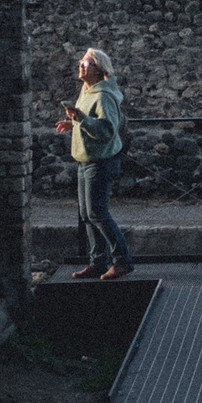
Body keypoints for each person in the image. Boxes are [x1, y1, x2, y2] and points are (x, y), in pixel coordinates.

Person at [55, 47, 133, 281]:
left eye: (86, 63)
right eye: (81, 62)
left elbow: (107, 130)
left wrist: (81, 119)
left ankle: (122, 261)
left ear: (98, 70)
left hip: (101, 162)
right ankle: (97, 262)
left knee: (97, 213)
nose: (81, 65)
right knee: (87, 215)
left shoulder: (103, 96)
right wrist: (75, 124)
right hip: (85, 161)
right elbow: (91, 123)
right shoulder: (86, 91)